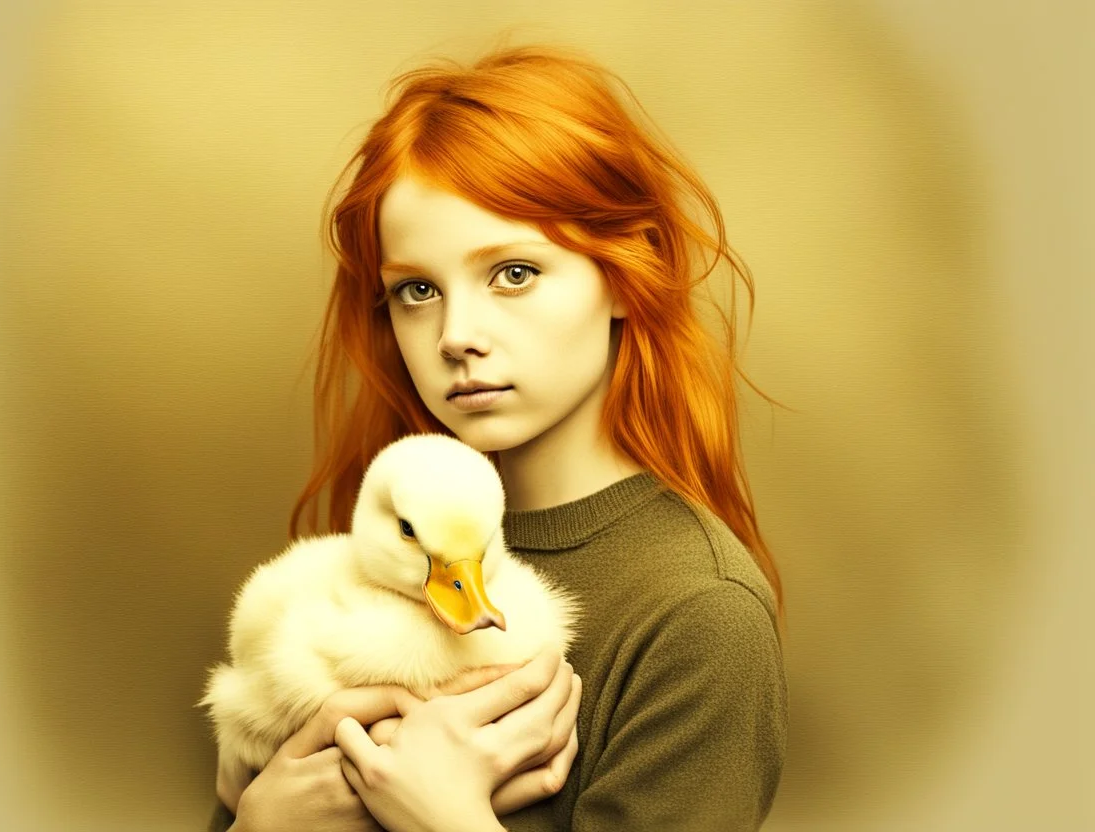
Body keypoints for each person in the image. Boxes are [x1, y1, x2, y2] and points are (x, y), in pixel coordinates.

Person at [208, 41, 787, 832]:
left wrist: (444, 819)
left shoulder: (699, 615)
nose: (457, 335)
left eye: (513, 273)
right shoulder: (378, 561)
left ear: (628, 271)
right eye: (416, 290)